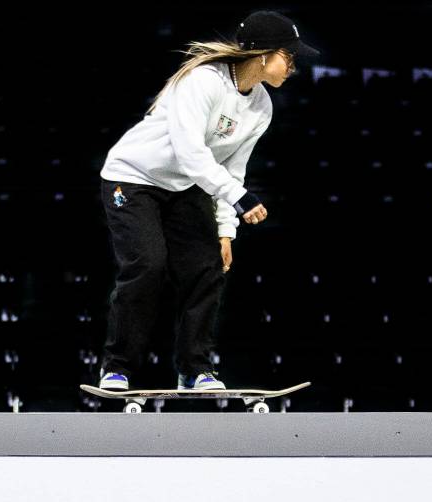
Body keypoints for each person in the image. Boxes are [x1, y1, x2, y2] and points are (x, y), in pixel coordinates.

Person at [97, 10, 320, 392]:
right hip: (133, 179)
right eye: (289, 55)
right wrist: (240, 200)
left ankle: (194, 370)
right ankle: (117, 367)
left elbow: (233, 169)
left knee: (208, 267)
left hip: (187, 185)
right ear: (263, 54)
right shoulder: (203, 82)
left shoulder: (262, 107)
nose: (294, 66)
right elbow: (190, 152)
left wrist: (226, 231)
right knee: (147, 265)